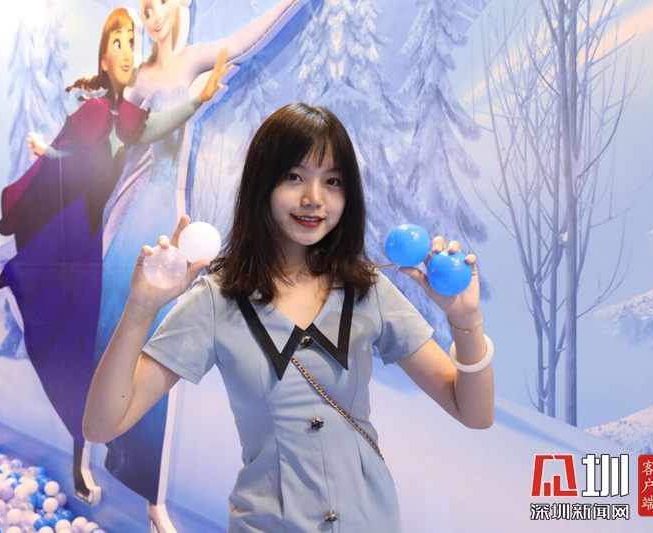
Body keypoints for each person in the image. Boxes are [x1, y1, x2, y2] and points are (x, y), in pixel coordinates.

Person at [84, 103, 494, 531]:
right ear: (262, 183)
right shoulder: (217, 300)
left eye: (332, 181)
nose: (313, 198)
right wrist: (140, 310)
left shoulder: (366, 289)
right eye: (294, 176)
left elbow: (474, 412)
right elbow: (102, 424)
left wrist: (466, 318)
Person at [0, 7, 230, 505]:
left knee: (83, 347)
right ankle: (81, 455)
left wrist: (198, 98)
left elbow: (153, 127)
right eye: (116, 43)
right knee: (73, 340)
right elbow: (70, 153)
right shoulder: (96, 111)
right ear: (103, 57)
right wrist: (48, 155)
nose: (126, 51)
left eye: (130, 43)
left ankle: (85, 456)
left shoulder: (125, 115)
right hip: (75, 236)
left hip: (93, 238)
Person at [93, 1, 307, 526]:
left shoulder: (189, 61)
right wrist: (193, 102)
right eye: (145, 8)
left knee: (158, 352)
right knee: (111, 338)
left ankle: (152, 495)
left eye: (160, 4)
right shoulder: (137, 79)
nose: (153, 16)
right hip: (131, 221)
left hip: (167, 220)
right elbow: (125, 137)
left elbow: (246, 38)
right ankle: (94, 454)